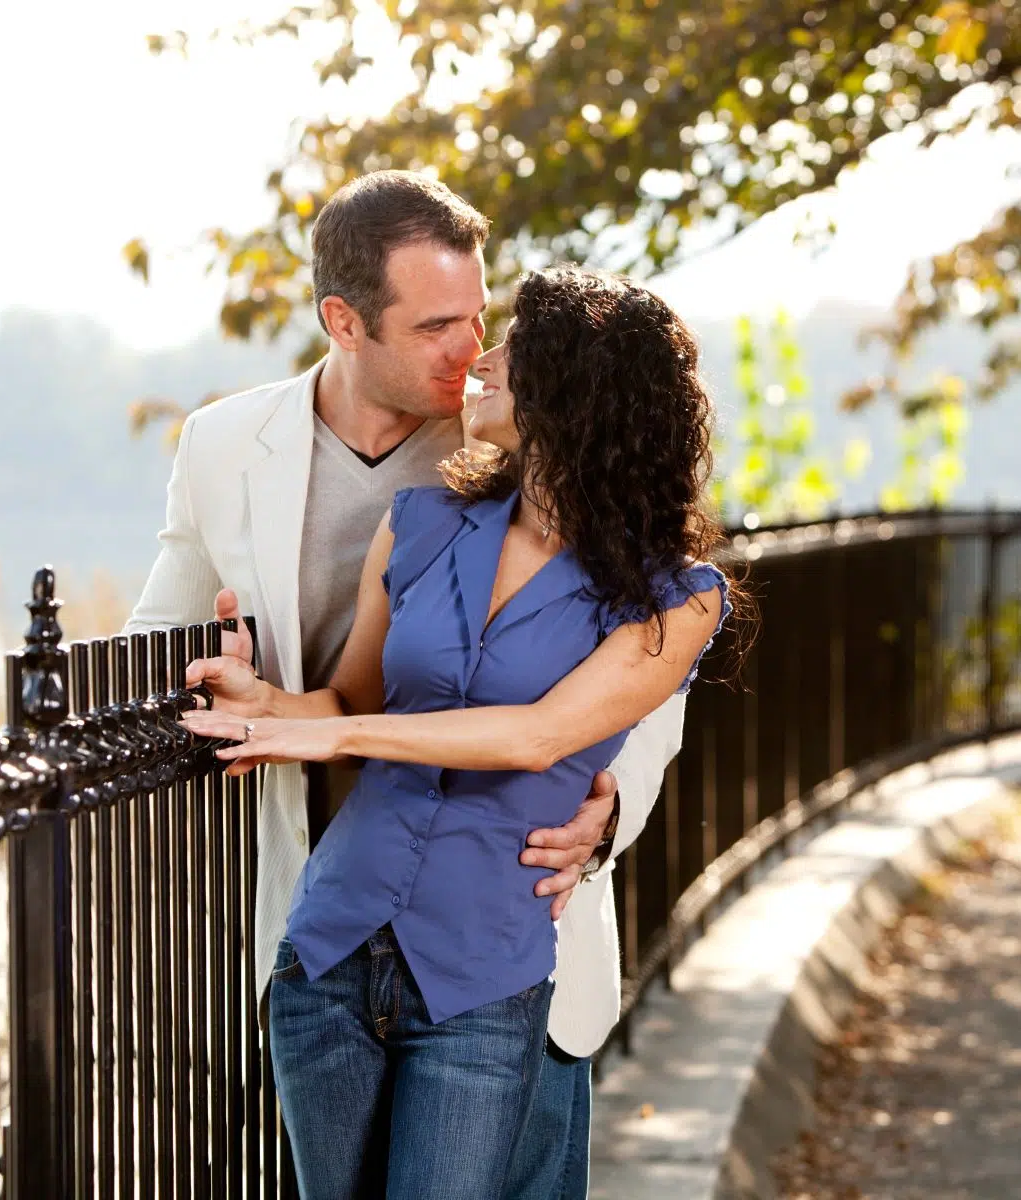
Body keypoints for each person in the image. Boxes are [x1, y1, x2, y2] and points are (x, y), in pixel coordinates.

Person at [122, 170, 687, 1195]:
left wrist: (606, 816)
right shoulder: (224, 447)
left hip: (509, 921)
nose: (470, 353)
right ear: (344, 319)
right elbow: (161, 641)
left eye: (478, 318)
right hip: (334, 912)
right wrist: (234, 693)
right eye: (436, 326)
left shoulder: (535, 435)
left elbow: (635, 690)